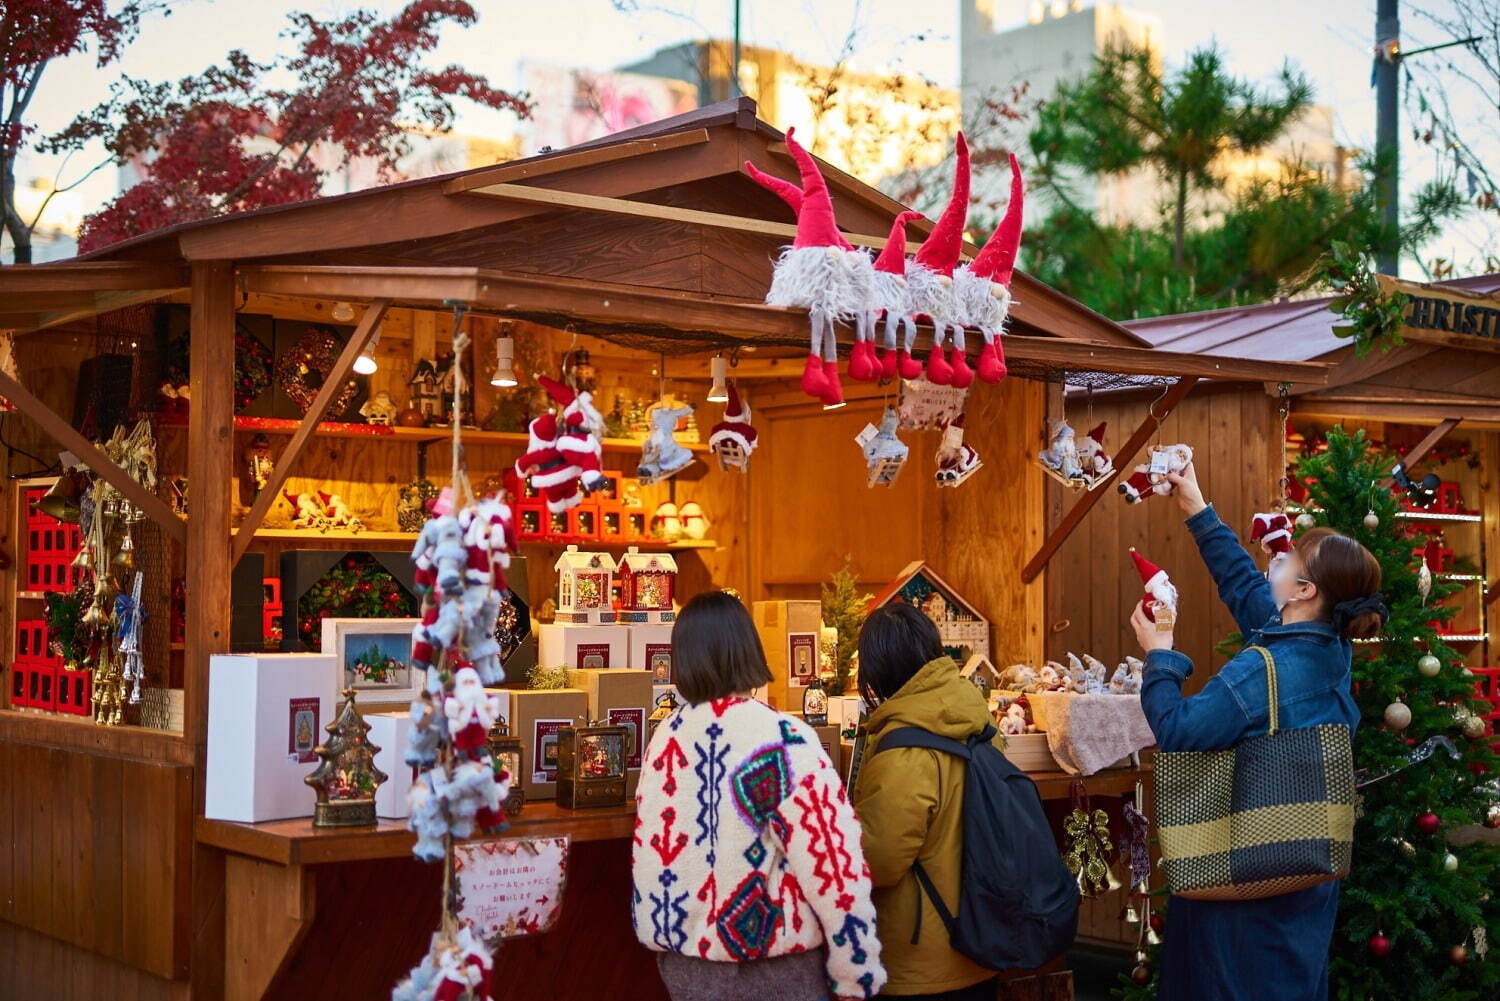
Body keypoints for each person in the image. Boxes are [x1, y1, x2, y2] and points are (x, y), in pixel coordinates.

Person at [1131, 462, 1385, 1001]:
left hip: (1237, 887)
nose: (1280, 554)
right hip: (1304, 879)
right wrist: (1197, 508)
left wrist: (1160, 657)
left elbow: (1177, 730)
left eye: (1290, 556)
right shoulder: (1331, 648)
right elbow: (1246, 588)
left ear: (1304, 588)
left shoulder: (1257, 670)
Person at [632, 591, 886, 1001]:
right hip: (775, 970)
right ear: (747, 648)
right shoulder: (783, 739)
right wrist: (856, 972)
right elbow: (834, 863)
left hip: (685, 971)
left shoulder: (664, 740)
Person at [851, 603, 999, 1001]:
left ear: (878, 668)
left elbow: (878, 860)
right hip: (985, 937)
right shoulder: (978, 722)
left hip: (923, 962)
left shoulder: (904, 748)